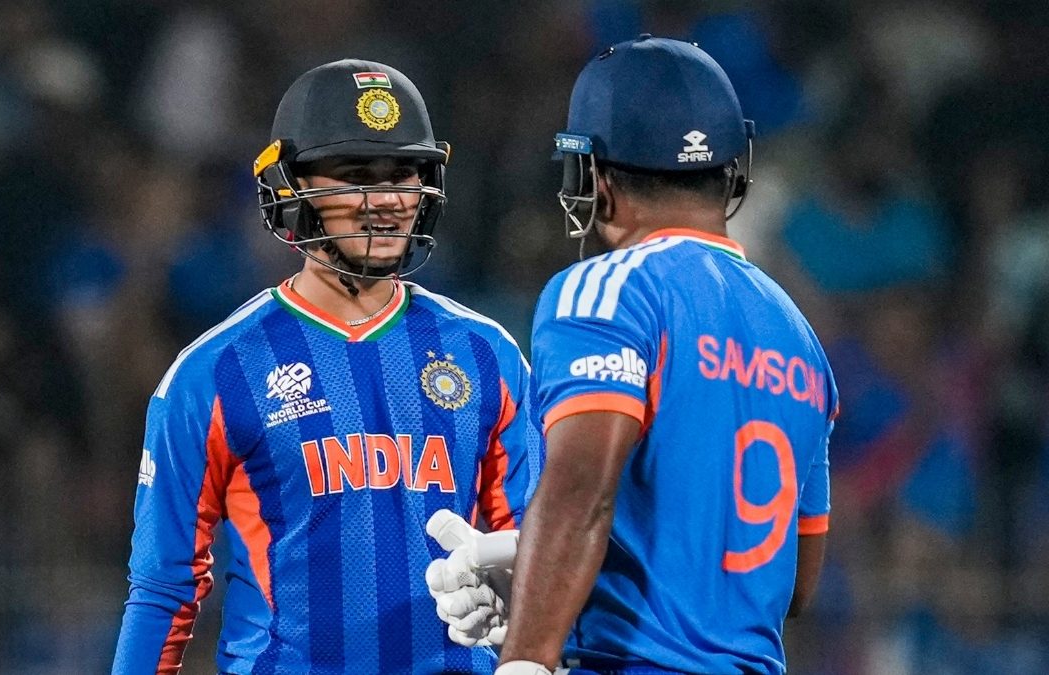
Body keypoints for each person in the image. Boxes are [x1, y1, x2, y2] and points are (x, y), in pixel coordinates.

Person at [111, 59, 543, 674]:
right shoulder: (214, 371)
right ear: (290, 188)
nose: (389, 199)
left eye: (404, 173)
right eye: (356, 175)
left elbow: (537, 550)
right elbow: (163, 590)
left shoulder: (487, 353)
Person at [430, 37, 837, 675]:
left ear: (592, 175)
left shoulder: (607, 290)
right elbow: (798, 583)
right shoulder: (799, 335)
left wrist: (528, 654)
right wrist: (541, 573)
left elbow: (580, 491)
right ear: (734, 167)